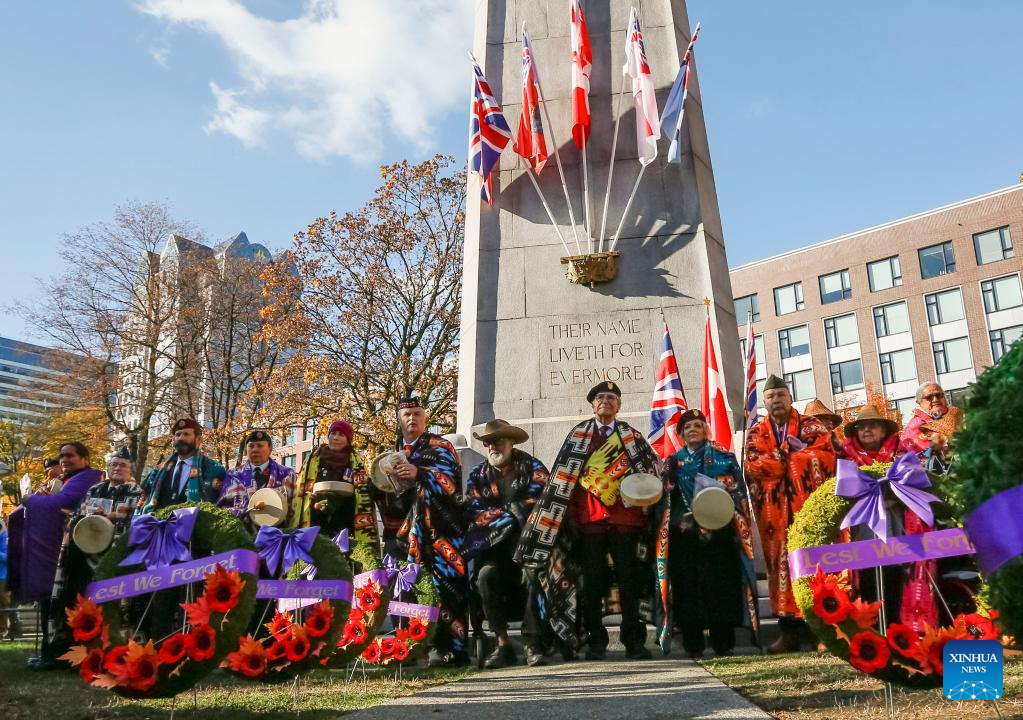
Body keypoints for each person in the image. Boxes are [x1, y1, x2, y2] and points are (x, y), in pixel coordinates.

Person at [516, 380, 661, 661]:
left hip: (626, 521)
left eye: (611, 398)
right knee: (592, 584)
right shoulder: (578, 435)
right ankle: (596, 642)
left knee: (629, 581)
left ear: (619, 405)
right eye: (600, 397)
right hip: (590, 522)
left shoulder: (632, 437)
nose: (605, 401)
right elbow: (564, 482)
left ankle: (634, 641)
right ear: (592, 404)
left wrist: (642, 501)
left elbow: (649, 473)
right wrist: (569, 519)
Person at [744, 375, 836, 653]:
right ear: (764, 402)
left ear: (790, 399)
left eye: (781, 395)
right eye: (771, 397)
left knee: (815, 568)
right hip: (774, 515)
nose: (776, 401)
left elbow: (826, 456)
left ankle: (820, 632)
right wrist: (791, 453)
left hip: (808, 510)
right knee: (780, 571)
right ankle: (789, 633)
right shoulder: (756, 432)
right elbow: (753, 467)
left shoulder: (812, 426)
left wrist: (786, 459)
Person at [658, 409, 759, 658]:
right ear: (681, 435)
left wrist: (724, 518)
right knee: (688, 590)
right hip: (686, 537)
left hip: (721, 535)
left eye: (698, 425)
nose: (693, 430)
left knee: (722, 589)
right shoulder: (672, 462)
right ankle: (693, 643)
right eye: (688, 427)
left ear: (706, 430)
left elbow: (739, 495)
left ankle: (723, 643)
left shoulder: (725, 459)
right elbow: (664, 501)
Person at [390, 396, 469, 667]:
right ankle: (410, 647)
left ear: (426, 417)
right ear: (398, 419)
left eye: (417, 413)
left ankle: (451, 649)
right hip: (406, 533)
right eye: (406, 414)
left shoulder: (441, 445)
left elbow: (451, 484)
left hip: (442, 530)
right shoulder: (392, 451)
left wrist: (419, 473)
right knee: (406, 591)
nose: (411, 418)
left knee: (447, 591)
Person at [8, 442, 102, 669]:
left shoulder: (87, 478)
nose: (64, 460)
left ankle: (61, 657)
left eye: (70, 455)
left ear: (85, 459)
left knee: (64, 606)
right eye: (61, 456)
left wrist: (30, 499)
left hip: (73, 558)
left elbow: (61, 503)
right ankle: (50, 655)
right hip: (54, 558)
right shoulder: (68, 479)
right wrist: (39, 496)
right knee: (51, 606)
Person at [463, 419, 548, 668]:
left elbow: (541, 499)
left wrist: (502, 515)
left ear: (511, 443)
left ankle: (533, 644)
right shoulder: (478, 474)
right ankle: (502, 645)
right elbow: (473, 508)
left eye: (498, 441)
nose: (492, 447)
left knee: (535, 575)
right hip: (494, 551)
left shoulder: (532, 467)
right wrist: (510, 514)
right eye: (488, 443)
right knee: (485, 576)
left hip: (528, 548)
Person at [292, 420, 373, 543]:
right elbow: (300, 492)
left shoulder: (357, 463)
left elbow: (364, 495)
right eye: (333, 433)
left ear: (348, 440)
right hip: (315, 525)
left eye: (341, 435)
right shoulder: (312, 461)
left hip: (346, 525)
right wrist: (314, 504)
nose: (335, 438)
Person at [139, 418, 226, 513]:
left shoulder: (214, 469)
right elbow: (142, 500)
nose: (181, 438)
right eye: (178, 434)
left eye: (186, 434)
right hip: (157, 526)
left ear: (198, 439)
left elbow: (221, 506)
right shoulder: (158, 470)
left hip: (196, 526)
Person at [219, 430, 297, 530]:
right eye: (251, 446)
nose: (255, 449)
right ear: (246, 450)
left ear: (270, 449)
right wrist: (246, 511)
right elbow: (222, 509)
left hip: (278, 537)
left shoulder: (287, 475)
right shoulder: (233, 475)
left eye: (260, 446)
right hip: (242, 537)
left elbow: (296, 507)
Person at [81, 448, 144, 531]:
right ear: (107, 469)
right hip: (92, 538)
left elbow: (141, 520)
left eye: (123, 465)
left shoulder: (138, 493)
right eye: (114, 464)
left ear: (130, 471)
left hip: (122, 541)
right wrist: (90, 511)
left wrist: (118, 516)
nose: (117, 468)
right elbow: (81, 512)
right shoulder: (94, 489)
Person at [899, 383, 958, 456]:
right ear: (919, 402)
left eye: (939, 395)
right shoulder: (914, 427)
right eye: (929, 397)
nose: (935, 400)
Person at [0, 517, 23, 641]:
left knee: (6, 604)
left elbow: (7, 557)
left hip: (2, 576)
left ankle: (4, 630)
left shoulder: (5, 536)